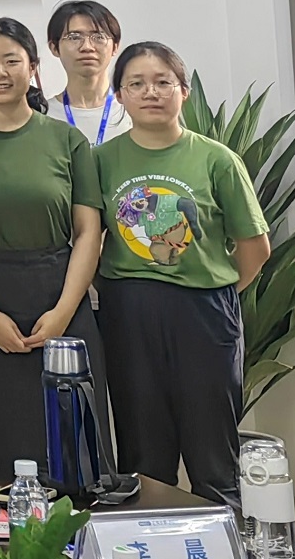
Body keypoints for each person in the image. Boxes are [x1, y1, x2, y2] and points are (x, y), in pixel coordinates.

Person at [94, 41, 269, 509]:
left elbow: (254, 247)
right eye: (136, 83)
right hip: (128, 311)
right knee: (142, 449)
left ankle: (225, 543)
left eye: (163, 82)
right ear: (120, 95)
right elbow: (88, 239)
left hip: (204, 312)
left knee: (212, 448)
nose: (150, 92)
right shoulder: (101, 161)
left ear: (183, 91)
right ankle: (146, 545)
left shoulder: (217, 159)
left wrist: (214, 291)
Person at [0, 19, 106, 486]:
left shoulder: (66, 140)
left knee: (72, 443)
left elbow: (88, 232)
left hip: (62, 294)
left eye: (11, 60)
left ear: (33, 67)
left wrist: (63, 312)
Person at [46, 0, 134, 143]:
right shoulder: (43, 116)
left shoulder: (133, 110)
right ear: (54, 48)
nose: (87, 47)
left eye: (98, 37)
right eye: (74, 37)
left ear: (115, 46)